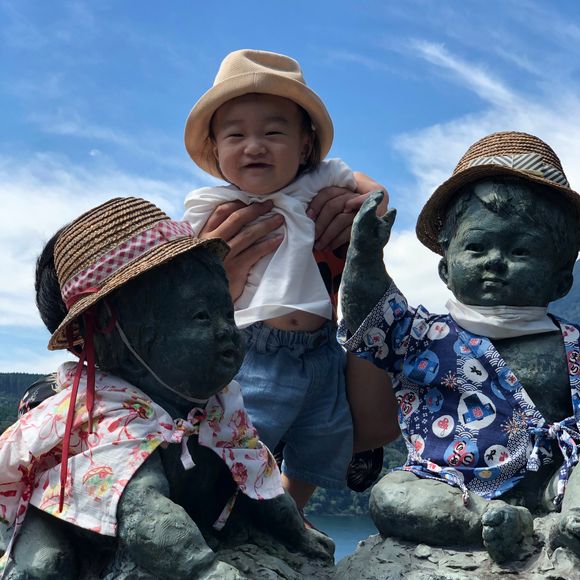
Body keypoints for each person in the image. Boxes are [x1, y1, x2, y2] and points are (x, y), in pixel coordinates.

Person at [1, 197, 332, 578]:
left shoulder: (217, 409)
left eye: (227, 313)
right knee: (46, 566)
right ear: (111, 329)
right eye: (201, 316)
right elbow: (145, 513)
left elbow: (255, 472)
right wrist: (207, 571)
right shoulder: (112, 418)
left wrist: (294, 531)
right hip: (63, 521)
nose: (226, 331)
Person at [339, 131, 580, 563]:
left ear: (562, 280)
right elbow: (371, 317)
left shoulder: (572, 344)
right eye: (476, 246)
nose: (495, 261)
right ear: (445, 269)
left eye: (521, 250)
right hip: (448, 484)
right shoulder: (423, 335)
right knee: (391, 495)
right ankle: (491, 522)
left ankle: (573, 519)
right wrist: (363, 257)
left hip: (555, 483)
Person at [182, 48, 397, 507]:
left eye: (274, 132)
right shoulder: (212, 204)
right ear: (216, 151)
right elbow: (186, 262)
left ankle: (293, 508)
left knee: (324, 433)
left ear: (304, 147)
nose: (254, 146)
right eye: (235, 135)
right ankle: (233, 510)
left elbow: (371, 189)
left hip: (322, 346)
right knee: (246, 434)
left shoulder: (317, 182)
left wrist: (374, 202)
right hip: (253, 344)